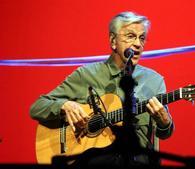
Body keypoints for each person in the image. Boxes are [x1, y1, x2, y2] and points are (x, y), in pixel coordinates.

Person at [30, 11, 174, 167]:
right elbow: (37, 107)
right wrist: (64, 106)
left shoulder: (154, 81)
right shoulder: (86, 75)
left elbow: (163, 133)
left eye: (142, 38)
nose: (138, 44)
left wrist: (164, 122)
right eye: (131, 36)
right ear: (113, 41)